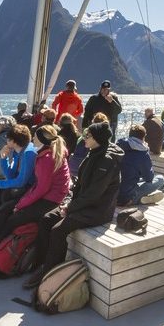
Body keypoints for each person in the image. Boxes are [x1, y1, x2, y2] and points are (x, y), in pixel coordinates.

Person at [0, 125, 71, 277]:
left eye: (35, 137)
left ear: (42, 140)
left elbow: (38, 188)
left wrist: (20, 205)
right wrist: (4, 159)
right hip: (45, 196)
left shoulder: (45, 158)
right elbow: (20, 180)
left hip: (49, 200)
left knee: (9, 218)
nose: (32, 139)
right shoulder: (45, 154)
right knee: (2, 206)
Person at [24, 121, 123, 289]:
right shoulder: (93, 153)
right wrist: (69, 203)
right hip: (81, 204)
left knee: (57, 231)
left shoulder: (106, 161)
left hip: (97, 210)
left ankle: (50, 271)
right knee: (47, 219)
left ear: (97, 138)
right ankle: (40, 261)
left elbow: (93, 195)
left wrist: (70, 208)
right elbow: (79, 187)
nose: (83, 138)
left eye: (87, 135)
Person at [116, 124, 164, 206]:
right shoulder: (142, 152)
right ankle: (136, 199)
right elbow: (148, 178)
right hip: (125, 196)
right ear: (143, 137)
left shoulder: (118, 145)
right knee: (160, 179)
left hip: (113, 192)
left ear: (130, 135)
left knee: (131, 179)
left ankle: (141, 198)